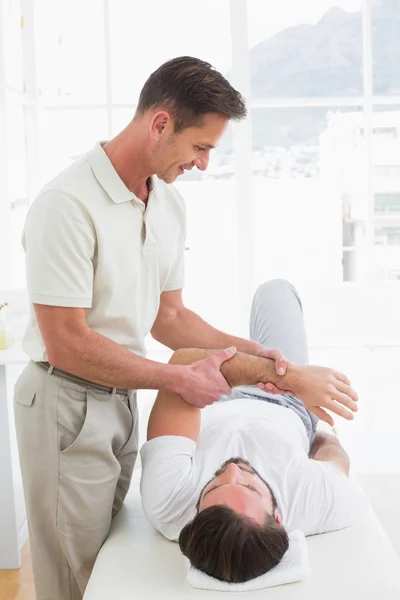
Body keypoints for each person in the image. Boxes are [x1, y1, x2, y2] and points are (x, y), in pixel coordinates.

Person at [13, 56, 295, 600]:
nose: (205, 163)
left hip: (122, 395)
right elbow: (66, 343)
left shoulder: (167, 203)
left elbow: (171, 318)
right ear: (161, 123)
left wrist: (253, 352)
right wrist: (175, 381)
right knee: (77, 576)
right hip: (65, 402)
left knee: (109, 560)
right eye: (200, 147)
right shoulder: (66, 206)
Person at [140, 279, 369, 584]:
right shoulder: (317, 501)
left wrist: (294, 377)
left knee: (187, 335)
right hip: (286, 404)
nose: (233, 470)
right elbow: (336, 455)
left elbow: (184, 363)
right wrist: (314, 426)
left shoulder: (169, 502)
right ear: (277, 518)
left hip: (208, 397)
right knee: (276, 292)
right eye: (249, 487)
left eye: (212, 487)